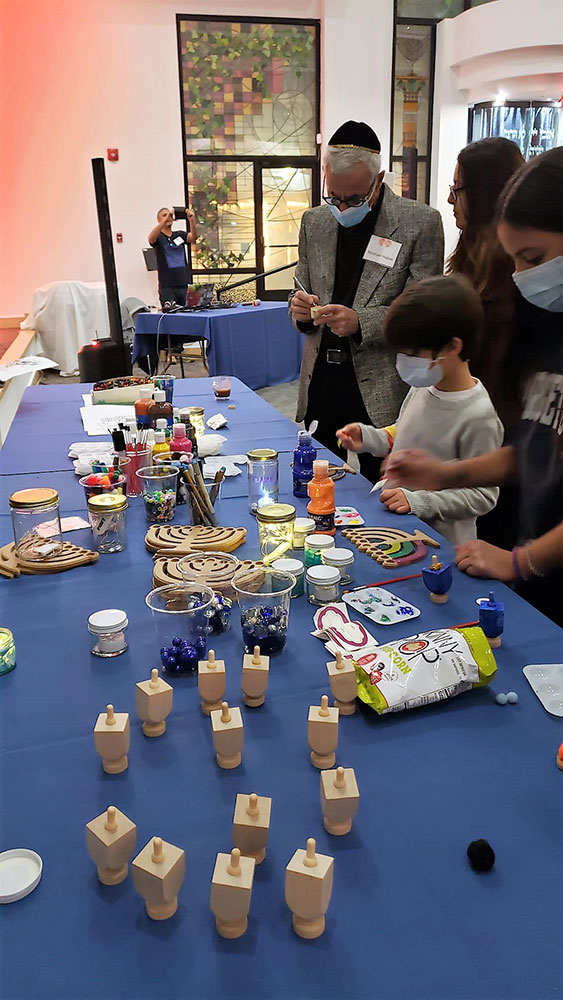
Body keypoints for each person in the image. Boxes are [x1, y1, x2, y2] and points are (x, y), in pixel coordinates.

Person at [383, 147, 563, 626]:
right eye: (514, 260)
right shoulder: (547, 330)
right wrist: (443, 474)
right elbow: (537, 448)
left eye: (533, 258)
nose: (521, 277)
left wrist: (521, 561)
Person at [288, 120, 444, 483]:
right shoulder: (314, 222)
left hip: (382, 386)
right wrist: (300, 311)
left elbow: (424, 313)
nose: (342, 207)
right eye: (334, 197)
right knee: (316, 485)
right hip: (323, 382)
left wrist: (363, 322)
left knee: (386, 491)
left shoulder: (419, 223)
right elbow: (299, 289)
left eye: (355, 199)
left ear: (379, 180)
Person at [336, 274, 503, 544]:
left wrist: (419, 501)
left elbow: (483, 496)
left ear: (453, 346)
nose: (404, 362)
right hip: (395, 526)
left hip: (439, 543)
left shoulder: (478, 416)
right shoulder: (423, 386)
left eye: (413, 354)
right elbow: (403, 434)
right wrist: (369, 438)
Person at [447, 138, 524, 550]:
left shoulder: (518, 280)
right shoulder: (468, 265)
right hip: (465, 439)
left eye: (458, 189)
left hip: (503, 450)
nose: (450, 199)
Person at [148, 206, 198, 307]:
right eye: (164, 215)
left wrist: (191, 220)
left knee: (187, 312)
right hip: (167, 287)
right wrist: (165, 219)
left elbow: (193, 237)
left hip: (184, 284)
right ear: (159, 219)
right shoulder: (158, 237)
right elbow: (151, 238)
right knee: (170, 313)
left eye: (170, 215)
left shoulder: (179, 235)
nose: (168, 217)